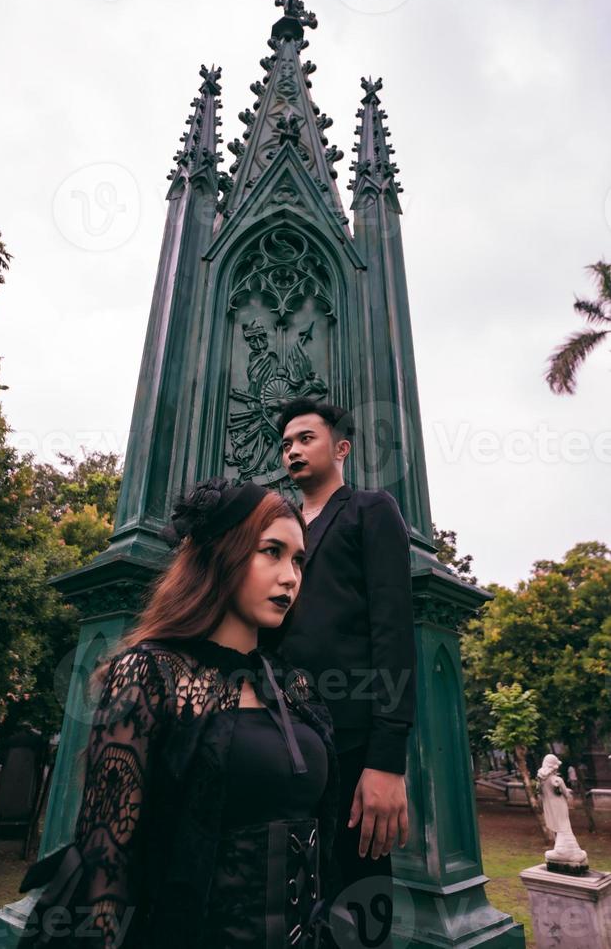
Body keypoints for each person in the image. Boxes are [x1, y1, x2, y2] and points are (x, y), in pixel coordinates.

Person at [18, 478, 342, 948]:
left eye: (298, 560)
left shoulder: (294, 687)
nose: (291, 576)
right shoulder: (149, 673)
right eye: (271, 551)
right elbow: (106, 859)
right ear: (222, 553)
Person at [262, 397, 415, 944]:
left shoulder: (371, 510)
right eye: (285, 444)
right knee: (293, 891)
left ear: (341, 448)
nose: (293, 451)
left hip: (353, 744)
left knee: (360, 892)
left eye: (306, 438)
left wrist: (386, 761)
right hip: (284, 735)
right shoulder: (278, 526)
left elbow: (394, 631)